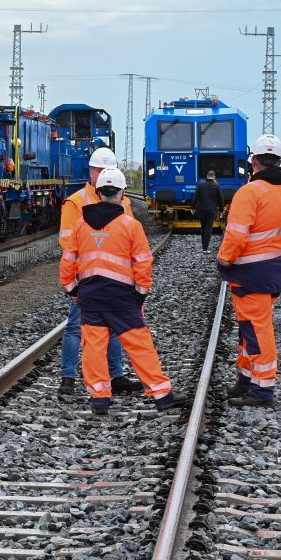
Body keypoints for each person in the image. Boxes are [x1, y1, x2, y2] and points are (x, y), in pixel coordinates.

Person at [60, 167, 183, 415]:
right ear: (121, 193)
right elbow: (143, 261)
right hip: (122, 296)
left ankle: (100, 398)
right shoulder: (130, 225)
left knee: (93, 346)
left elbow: (68, 260)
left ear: (98, 193)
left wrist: (72, 289)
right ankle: (161, 395)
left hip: (91, 295)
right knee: (139, 344)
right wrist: (141, 293)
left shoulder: (82, 225)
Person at [217, 134, 281, 408]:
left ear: (253, 161)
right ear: (279, 160)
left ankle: (263, 388)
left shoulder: (250, 192)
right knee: (248, 328)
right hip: (278, 268)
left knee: (256, 328)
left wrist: (224, 260)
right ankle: (246, 379)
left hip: (249, 270)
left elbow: (236, 234)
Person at [57, 147, 142, 398]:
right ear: (91, 172)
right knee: (75, 327)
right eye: (99, 171)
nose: (104, 175)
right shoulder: (76, 202)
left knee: (114, 327)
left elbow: (131, 237)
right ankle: (68, 378)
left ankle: (116, 376)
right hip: (88, 278)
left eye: (108, 171)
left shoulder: (123, 201)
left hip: (116, 278)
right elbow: (67, 243)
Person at [194, 170, 224, 251]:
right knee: (208, 228)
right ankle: (205, 248)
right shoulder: (216, 185)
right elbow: (221, 199)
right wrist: (221, 209)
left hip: (202, 210)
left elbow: (195, 197)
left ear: (207, 176)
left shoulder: (200, 184)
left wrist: (192, 207)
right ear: (214, 177)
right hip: (211, 210)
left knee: (203, 227)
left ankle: (203, 245)